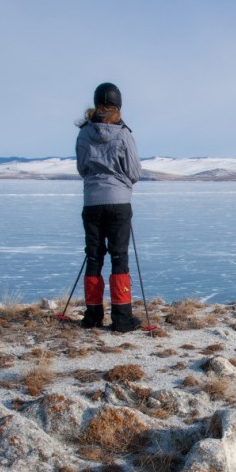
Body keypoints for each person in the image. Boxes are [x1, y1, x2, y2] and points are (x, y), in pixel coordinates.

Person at [75, 82, 143, 332]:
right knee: (119, 257)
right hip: (118, 203)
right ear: (119, 104)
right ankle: (122, 319)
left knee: (93, 257)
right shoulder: (123, 133)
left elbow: (82, 168)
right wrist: (121, 182)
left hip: (92, 202)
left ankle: (92, 317)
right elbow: (134, 171)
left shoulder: (83, 133)